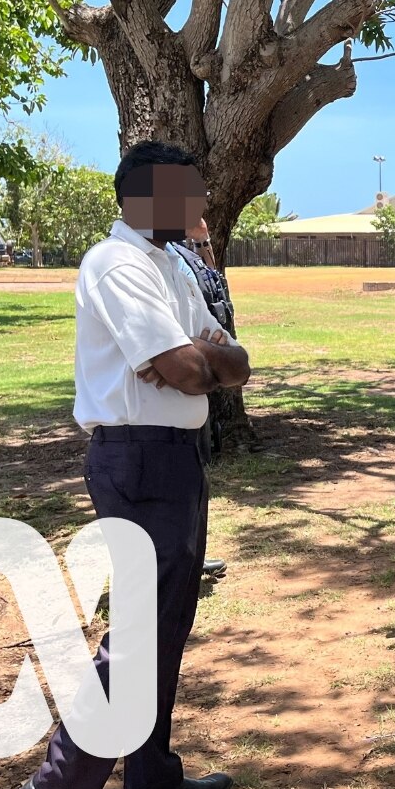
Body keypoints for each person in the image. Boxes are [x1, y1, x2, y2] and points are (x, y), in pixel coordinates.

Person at [18, 141, 249, 789]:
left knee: (166, 628)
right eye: (190, 193)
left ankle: (154, 779)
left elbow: (235, 361)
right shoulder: (117, 263)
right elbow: (187, 366)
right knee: (141, 637)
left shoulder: (168, 266)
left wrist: (203, 363)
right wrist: (197, 363)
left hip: (173, 457)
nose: (201, 204)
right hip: (138, 458)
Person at [167, 219, 235, 580]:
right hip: (168, 389)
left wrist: (203, 239)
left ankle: (194, 555)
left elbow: (213, 277)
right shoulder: (155, 259)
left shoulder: (185, 258)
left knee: (197, 474)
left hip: (201, 377)